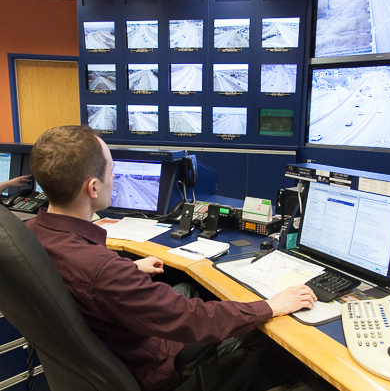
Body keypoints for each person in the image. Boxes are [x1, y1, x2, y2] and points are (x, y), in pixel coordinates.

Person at [25, 125, 317, 391]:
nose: (114, 177)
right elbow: (191, 319)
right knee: (259, 328)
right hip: (152, 366)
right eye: (112, 171)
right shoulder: (101, 271)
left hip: (106, 347)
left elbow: (82, 279)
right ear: (93, 188)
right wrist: (268, 306)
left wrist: (127, 268)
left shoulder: (31, 233)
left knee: (190, 289)